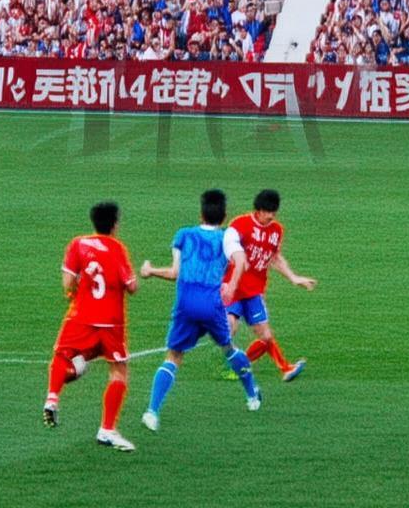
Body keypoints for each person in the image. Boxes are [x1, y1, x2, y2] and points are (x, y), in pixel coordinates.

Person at [140, 189, 261, 432]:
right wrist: (231, 286)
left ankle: (152, 412)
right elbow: (241, 261)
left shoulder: (183, 234)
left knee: (173, 356)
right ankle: (252, 395)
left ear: (200, 214)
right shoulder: (227, 236)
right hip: (211, 303)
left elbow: (175, 273)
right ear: (224, 216)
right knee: (228, 348)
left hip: (185, 302)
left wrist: (150, 271)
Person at [43, 202, 139, 452]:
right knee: (118, 371)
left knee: (64, 355)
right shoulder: (117, 248)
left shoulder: (78, 244)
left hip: (81, 315)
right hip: (110, 321)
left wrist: (76, 291)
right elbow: (131, 286)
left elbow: (68, 283)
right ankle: (107, 429)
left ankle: (52, 397)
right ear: (115, 224)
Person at [221, 189, 316, 382]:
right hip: (233, 288)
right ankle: (237, 365)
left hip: (254, 291)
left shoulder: (277, 230)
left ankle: (251, 367)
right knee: (230, 327)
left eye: (274, 212)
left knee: (265, 336)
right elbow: (226, 249)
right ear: (258, 210)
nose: (271, 216)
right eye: (268, 212)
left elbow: (275, 257)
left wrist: (293, 277)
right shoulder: (240, 225)